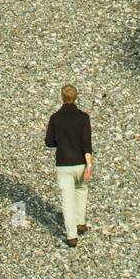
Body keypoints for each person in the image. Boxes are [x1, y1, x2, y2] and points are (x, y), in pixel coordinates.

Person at [44, 85, 93, 247]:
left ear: (62, 97)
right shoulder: (84, 117)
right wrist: (89, 165)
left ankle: (72, 236)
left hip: (64, 163)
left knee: (67, 200)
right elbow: (87, 144)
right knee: (81, 189)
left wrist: (61, 141)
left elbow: (49, 142)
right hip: (80, 162)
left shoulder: (55, 118)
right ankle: (81, 221)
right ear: (76, 97)